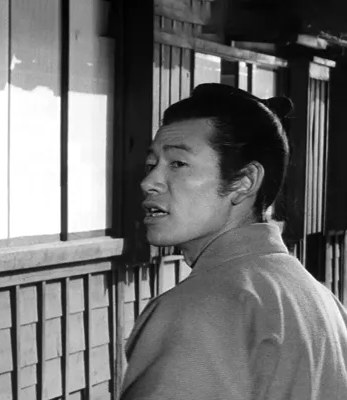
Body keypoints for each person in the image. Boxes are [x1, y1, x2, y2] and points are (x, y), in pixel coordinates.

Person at [121, 83, 347, 399]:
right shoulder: (318, 298)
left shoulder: (200, 308)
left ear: (244, 181)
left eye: (177, 164)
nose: (149, 182)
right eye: (151, 164)